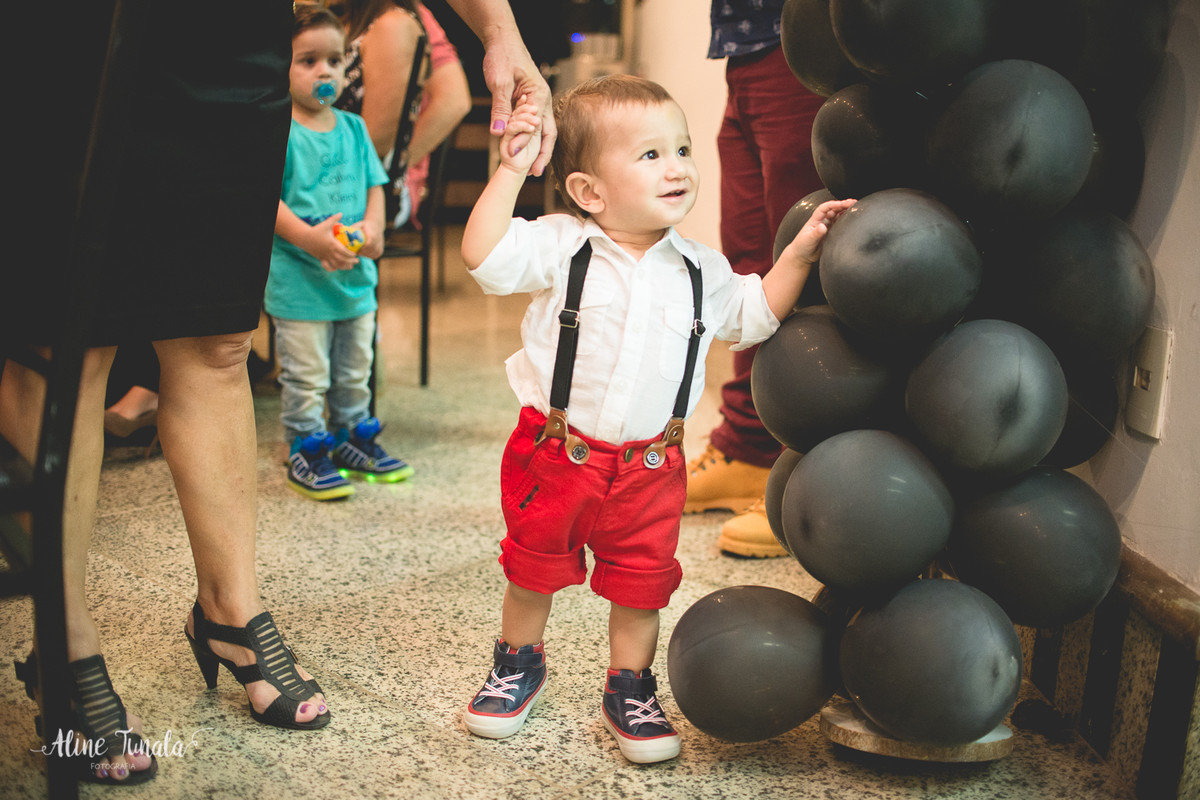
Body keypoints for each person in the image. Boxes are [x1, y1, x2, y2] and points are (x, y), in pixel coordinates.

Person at [1, 0, 552, 784]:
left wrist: (500, 30)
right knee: (68, 341)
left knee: (218, 339)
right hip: (73, 32)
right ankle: (63, 639)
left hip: (229, 45)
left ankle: (229, 611)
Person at [458, 75, 854, 764]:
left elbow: (755, 313)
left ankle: (629, 685)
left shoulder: (701, 269)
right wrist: (511, 169)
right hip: (556, 456)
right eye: (649, 156)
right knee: (533, 567)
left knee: (642, 581)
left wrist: (799, 254)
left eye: (681, 148)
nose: (676, 167)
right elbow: (484, 257)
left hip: (651, 466)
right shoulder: (562, 246)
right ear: (589, 191)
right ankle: (517, 661)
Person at [686, 0, 827, 557]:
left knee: (806, 265)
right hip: (745, 43)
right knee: (749, 265)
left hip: (807, 37)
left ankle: (807, 474)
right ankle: (747, 445)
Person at [268, 5, 411, 501]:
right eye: (307, 60)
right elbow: (268, 202)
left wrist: (374, 226)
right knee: (307, 374)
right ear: (279, 67)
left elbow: (376, 184)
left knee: (355, 368)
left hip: (354, 279)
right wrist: (309, 239)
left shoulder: (352, 129)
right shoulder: (279, 131)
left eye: (333, 60)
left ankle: (354, 437)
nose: (324, 71)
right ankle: (306, 448)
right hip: (300, 282)